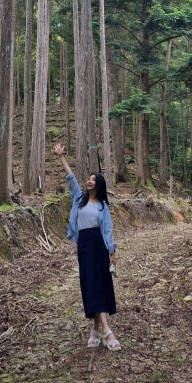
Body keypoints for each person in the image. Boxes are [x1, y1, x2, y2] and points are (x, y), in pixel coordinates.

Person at [53, 142, 120, 350]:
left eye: (93, 180)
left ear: (98, 185)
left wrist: (112, 252)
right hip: (84, 246)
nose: (89, 181)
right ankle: (100, 331)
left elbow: (107, 230)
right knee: (90, 284)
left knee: (99, 285)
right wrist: (61, 157)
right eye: (89, 179)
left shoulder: (102, 206)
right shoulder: (79, 199)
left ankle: (103, 332)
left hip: (99, 245)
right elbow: (71, 178)